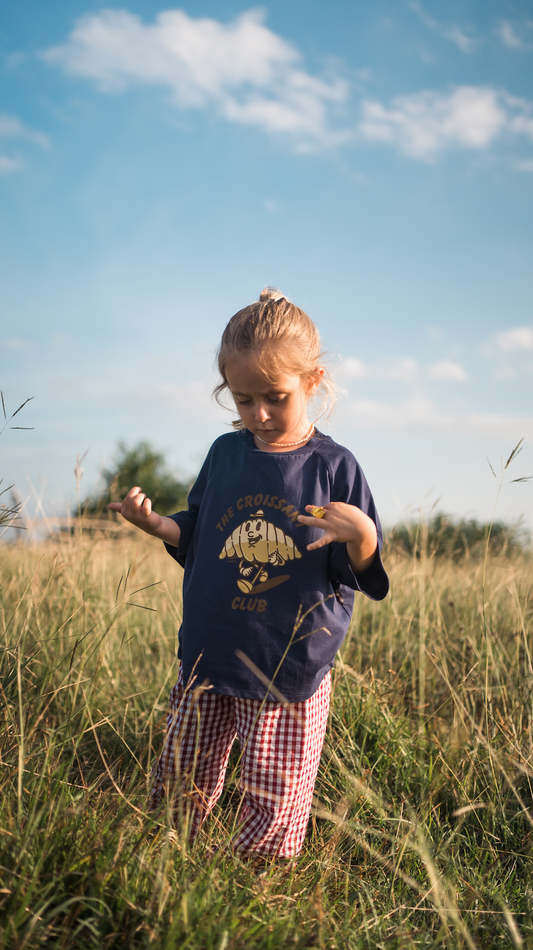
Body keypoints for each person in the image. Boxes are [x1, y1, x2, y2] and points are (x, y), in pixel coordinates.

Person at [109, 288, 389, 859]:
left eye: (275, 397)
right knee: (183, 768)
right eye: (243, 400)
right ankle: (169, 856)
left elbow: (357, 570)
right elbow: (202, 534)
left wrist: (363, 536)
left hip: (288, 661)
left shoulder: (334, 467)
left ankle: (254, 875)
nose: (259, 414)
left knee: (274, 785)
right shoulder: (225, 453)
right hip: (211, 646)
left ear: (313, 381)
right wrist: (155, 524)